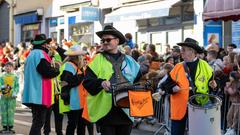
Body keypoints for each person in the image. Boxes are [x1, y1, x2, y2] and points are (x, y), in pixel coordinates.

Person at [82, 25, 142, 135]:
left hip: (126, 111)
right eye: (102, 40)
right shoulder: (96, 60)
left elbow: (139, 79)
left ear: (117, 41)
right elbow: (87, 82)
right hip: (106, 114)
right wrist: (101, 83)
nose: (104, 42)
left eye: (108, 39)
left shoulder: (129, 60)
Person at [158, 38, 217, 135]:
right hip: (180, 107)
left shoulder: (205, 66)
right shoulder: (178, 67)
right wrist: (173, 88)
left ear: (192, 51)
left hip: (199, 107)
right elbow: (166, 84)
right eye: (182, 49)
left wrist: (214, 85)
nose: (181, 52)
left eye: (184, 49)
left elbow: (213, 83)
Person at [22, 34, 60, 135]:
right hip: (39, 94)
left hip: (33, 93)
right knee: (38, 123)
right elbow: (47, 72)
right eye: (47, 43)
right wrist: (56, 69)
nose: (48, 45)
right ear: (43, 45)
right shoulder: (41, 54)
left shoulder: (31, 54)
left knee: (37, 122)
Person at [60, 45, 89, 135]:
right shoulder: (69, 65)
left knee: (80, 125)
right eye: (82, 56)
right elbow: (66, 81)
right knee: (73, 124)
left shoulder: (76, 66)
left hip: (79, 101)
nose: (84, 58)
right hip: (74, 101)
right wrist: (81, 77)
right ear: (78, 57)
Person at [0, 62, 19, 133]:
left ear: (12, 67)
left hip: (12, 97)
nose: (8, 68)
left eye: (9, 66)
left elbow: (17, 86)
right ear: (4, 67)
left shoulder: (15, 76)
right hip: (4, 96)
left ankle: (10, 126)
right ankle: (4, 126)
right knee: (4, 111)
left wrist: (15, 92)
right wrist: (2, 87)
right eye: (6, 66)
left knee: (11, 111)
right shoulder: (2, 76)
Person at [224, 71, 240, 135]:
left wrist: (228, 87)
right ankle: (230, 128)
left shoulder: (238, 83)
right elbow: (226, 92)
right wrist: (227, 87)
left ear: (234, 77)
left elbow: (233, 92)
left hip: (238, 103)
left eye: (230, 76)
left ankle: (233, 129)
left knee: (235, 117)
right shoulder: (231, 83)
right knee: (229, 116)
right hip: (233, 103)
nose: (229, 77)